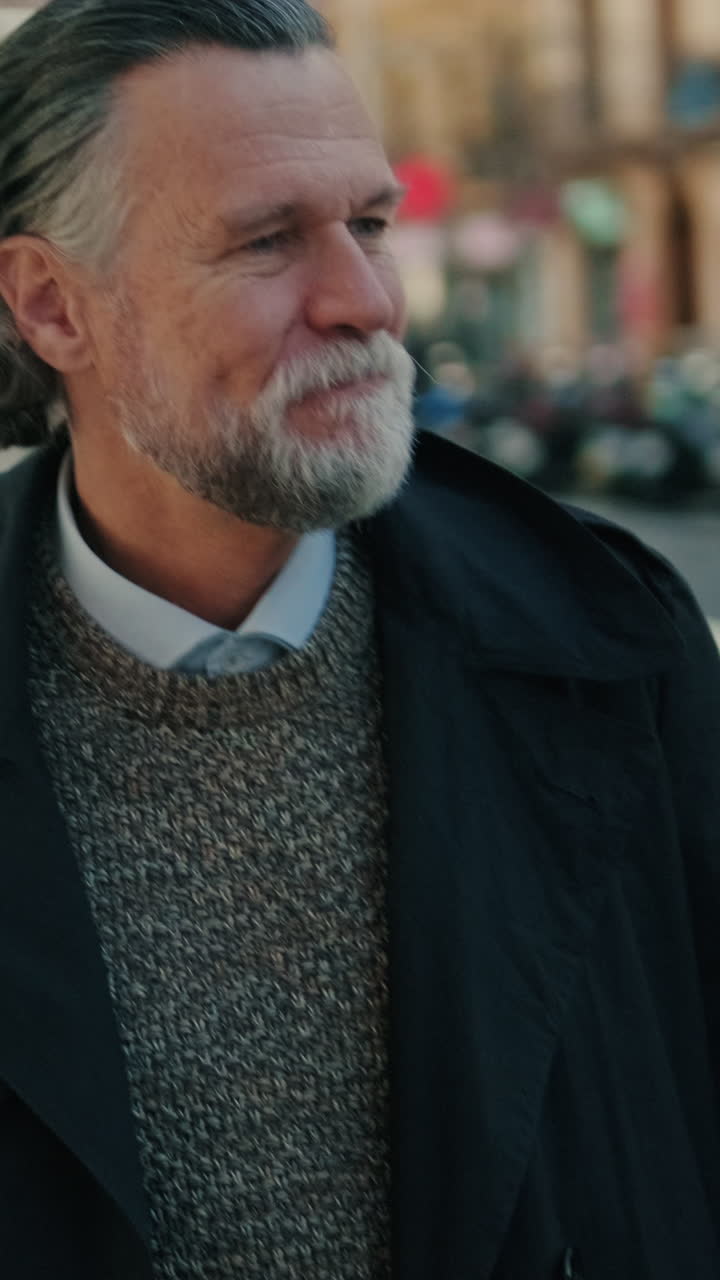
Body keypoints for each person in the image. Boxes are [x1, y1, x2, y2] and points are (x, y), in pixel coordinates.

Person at [0, 4, 718, 1279]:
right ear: (54, 305)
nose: (370, 301)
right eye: (269, 240)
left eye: (371, 225)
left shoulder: (611, 641)